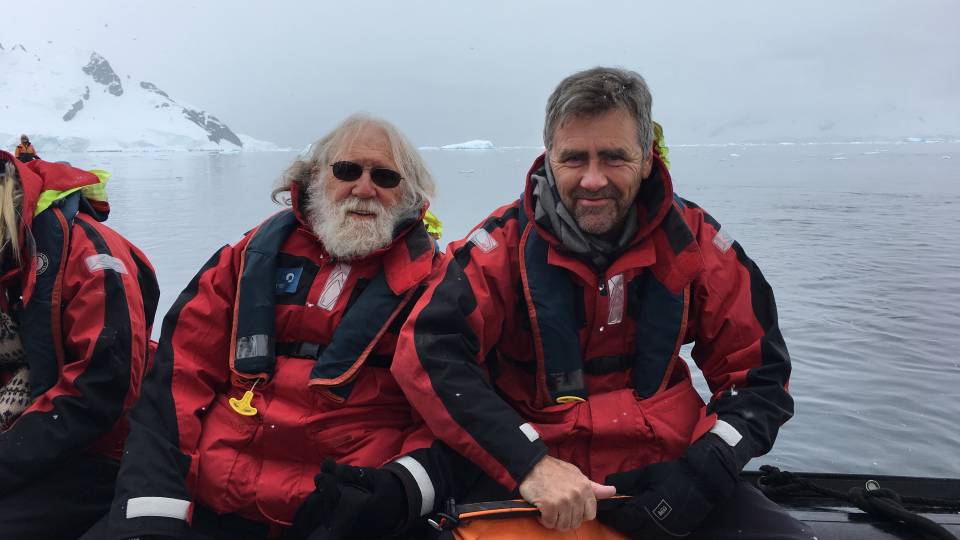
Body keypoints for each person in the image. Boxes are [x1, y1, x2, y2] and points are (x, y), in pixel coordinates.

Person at [385, 67, 806, 538]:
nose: (592, 179)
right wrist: (529, 463)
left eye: (613, 157)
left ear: (647, 158)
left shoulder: (698, 243)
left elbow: (758, 374)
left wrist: (707, 468)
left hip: (671, 470)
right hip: (534, 480)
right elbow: (429, 352)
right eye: (573, 159)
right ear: (548, 160)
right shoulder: (498, 249)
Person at [94, 114, 443, 540]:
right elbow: (176, 383)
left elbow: (445, 412)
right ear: (316, 177)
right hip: (213, 499)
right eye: (348, 170)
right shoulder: (244, 261)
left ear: (406, 195)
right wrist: (152, 512)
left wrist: (395, 493)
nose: (364, 188)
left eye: (385, 177)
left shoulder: (435, 287)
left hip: (344, 513)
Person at [0, 151, 159, 538]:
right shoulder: (8, 257)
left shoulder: (91, 255)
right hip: (27, 436)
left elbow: (103, 389)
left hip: (104, 450)